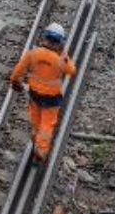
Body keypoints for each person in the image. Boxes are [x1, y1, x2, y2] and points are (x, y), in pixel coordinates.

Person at [10, 23, 76, 162]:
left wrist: (15, 81)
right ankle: (41, 151)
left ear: (45, 37)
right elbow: (71, 70)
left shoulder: (33, 54)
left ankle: (35, 138)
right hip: (52, 99)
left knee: (36, 119)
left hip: (35, 95)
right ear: (60, 42)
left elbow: (17, 71)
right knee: (47, 124)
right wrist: (63, 53)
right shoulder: (59, 59)